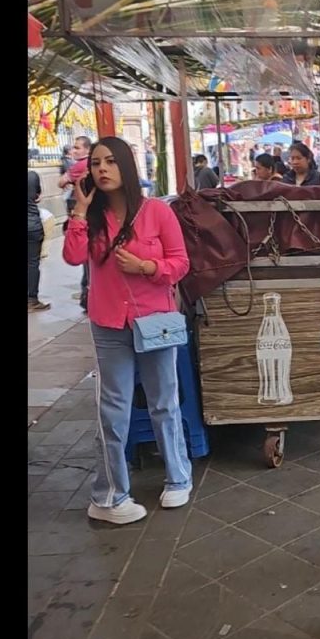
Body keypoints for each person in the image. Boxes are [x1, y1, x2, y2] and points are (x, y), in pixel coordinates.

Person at [62, 136, 193, 525]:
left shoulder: (156, 212)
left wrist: (147, 268)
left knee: (164, 402)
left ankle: (178, 477)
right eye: (96, 163)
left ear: (127, 166)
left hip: (154, 320)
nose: (102, 169)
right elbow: (72, 256)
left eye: (110, 161)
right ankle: (108, 496)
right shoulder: (92, 217)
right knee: (112, 410)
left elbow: (180, 262)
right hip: (108, 324)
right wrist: (80, 209)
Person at [58, 135, 92, 311]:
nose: (74, 151)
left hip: (84, 216)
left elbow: (61, 181)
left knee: (88, 262)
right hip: (87, 216)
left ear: (87, 149)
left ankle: (88, 297)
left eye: (77, 147)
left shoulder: (79, 166)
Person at [28, 171, 54, 312]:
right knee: (32, 263)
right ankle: (31, 300)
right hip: (32, 225)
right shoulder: (32, 176)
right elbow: (37, 196)